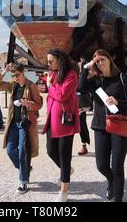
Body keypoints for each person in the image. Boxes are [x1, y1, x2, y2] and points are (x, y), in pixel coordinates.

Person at [81, 49, 127, 202]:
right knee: (101, 165)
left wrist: (119, 102)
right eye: (97, 61)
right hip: (100, 125)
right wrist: (86, 67)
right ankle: (112, 181)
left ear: (109, 60)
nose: (99, 63)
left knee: (117, 165)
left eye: (102, 60)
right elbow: (80, 88)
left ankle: (118, 197)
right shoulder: (95, 80)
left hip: (119, 123)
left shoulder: (122, 78)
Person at [0, 63, 42, 195]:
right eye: (13, 75)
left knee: (23, 153)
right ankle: (25, 169)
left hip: (25, 123)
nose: (15, 77)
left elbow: (39, 104)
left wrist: (29, 104)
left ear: (23, 73)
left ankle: (23, 182)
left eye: (17, 75)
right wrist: (4, 72)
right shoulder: (13, 84)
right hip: (13, 123)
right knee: (10, 150)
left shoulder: (31, 85)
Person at [42, 49, 80, 203]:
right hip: (52, 118)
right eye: (48, 61)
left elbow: (62, 95)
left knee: (65, 156)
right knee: (51, 151)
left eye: (51, 61)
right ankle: (67, 170)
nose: (48, 64)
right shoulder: (53, 74)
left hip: (65, 120)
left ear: (60, 60)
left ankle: (64, 191)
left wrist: (50, 86)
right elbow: (51, 94)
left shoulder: (71, 74)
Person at [77, 57, 91, 156]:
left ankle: (84, 145)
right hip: (70, 104)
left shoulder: (84, 78)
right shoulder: (70, 76)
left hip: (80, 104)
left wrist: (87, 107)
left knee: (82, 125)